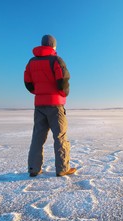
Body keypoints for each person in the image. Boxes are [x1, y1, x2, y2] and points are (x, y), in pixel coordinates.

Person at [24, 34, 76, 177]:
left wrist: (39, 92)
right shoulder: (56, 60)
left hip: (39, 105)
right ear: (53, 46)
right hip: (55, 105)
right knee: (60, 137)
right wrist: (62, 94)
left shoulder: (31, 62)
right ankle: (62, 168)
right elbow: (63, 81)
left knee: (37, 138)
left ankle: (34, 169)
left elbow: (28, 83)